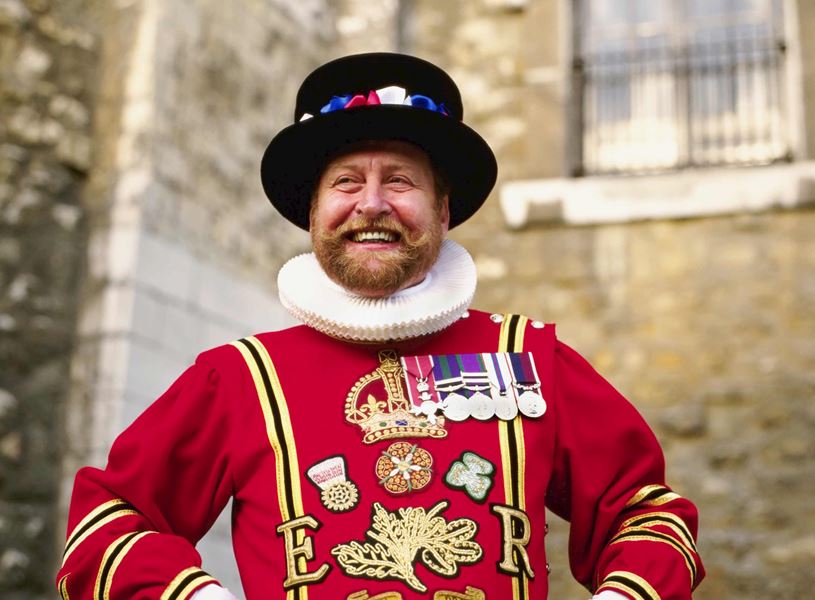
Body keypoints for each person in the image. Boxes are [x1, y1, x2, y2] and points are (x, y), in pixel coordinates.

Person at [56, 53, 704, 600]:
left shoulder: (529, 356)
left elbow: (646, 514)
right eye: (345, 182)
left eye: (399, 180)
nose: (370, 203)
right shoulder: (237, 378)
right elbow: (109, 524)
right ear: (312, 212)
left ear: (443, 212)